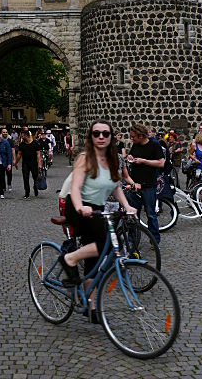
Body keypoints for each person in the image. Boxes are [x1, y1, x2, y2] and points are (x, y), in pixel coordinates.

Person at [58, 120, 137, 323]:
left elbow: (116, 187)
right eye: (96, 133)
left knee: (97, 257)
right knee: (106, 244)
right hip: (78, 206)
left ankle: (90, 306)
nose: (101, 137)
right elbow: (75, 188)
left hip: (98, 209)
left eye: (105, 133)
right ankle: (70, 258)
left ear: (111, 137)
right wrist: (79, 207)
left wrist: (127, 207)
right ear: (91, 137)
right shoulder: (84, 158)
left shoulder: (112, 160)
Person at [126, 123, 165, 245]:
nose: (132, 139)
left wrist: (144, 161)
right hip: (135, 184)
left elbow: (161, 163)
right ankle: (133, 241)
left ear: (141, 135)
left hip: (149, 185)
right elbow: (132, 155)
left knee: (151, 214)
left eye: (133, 137)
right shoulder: (136, 145)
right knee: (133, 214)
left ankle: (155, 240)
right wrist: (130, 158)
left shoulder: (154, 145)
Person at [14, 129, 41, 199]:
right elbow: (19, 154)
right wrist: (15, 162)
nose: (21, 137)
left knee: (35, 177)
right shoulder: (22, 144)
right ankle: (27, 192)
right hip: (25, 164)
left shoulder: (35, 143)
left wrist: (40, 164)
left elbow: (38, 155)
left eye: (22, 136)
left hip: (34, 163)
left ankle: (35, 187)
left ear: (27, 135)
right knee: (25, 178)